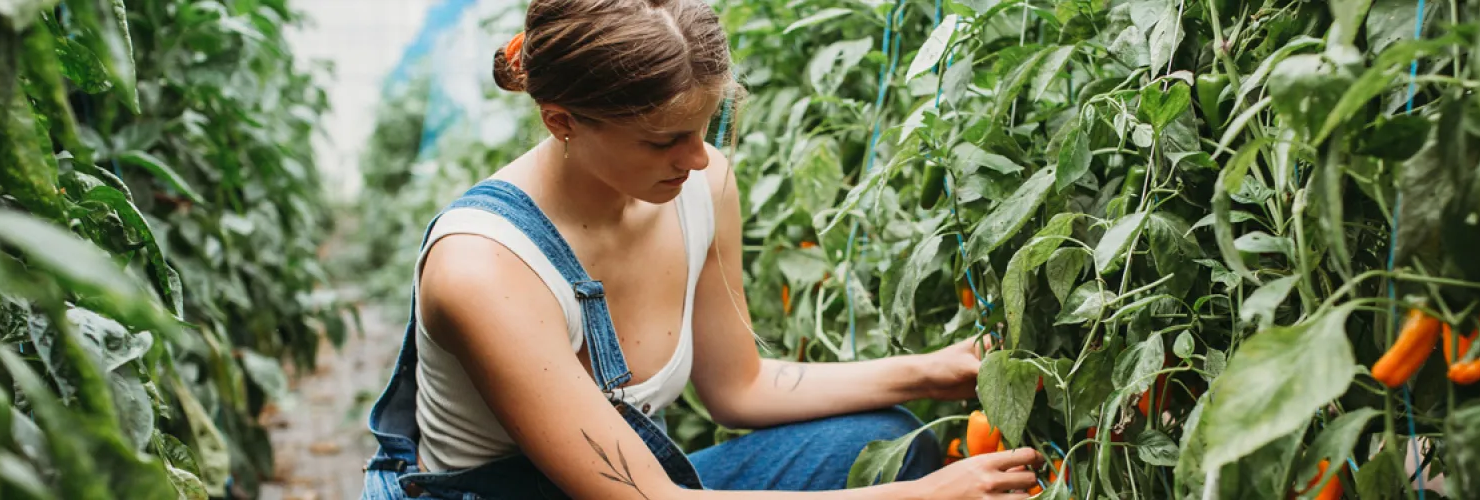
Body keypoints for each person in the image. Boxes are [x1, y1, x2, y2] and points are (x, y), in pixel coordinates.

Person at [359, 0, 1049, 498]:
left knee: (881, 439)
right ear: (562, 121)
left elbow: (739, 387)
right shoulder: (484, 268)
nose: (697, 157)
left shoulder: (700, 182)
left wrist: (935, 372)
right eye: (663, 139)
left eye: (706, 124)